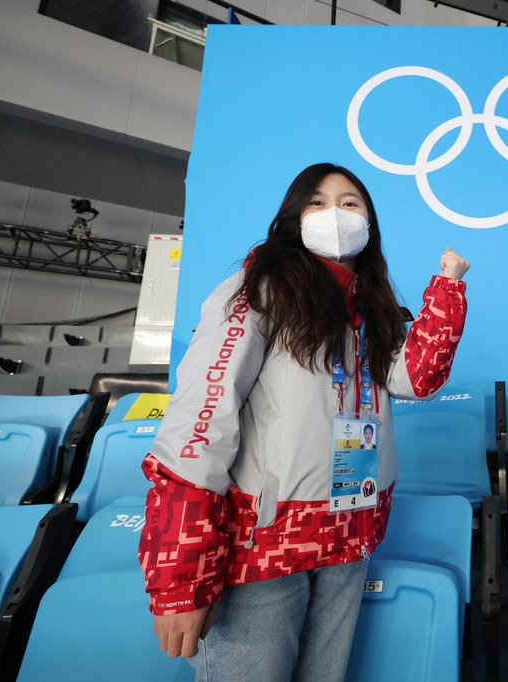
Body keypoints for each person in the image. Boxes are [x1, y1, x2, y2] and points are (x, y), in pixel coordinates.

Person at [138, 163, 469, 682]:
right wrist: (182, 577)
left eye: (350, 203)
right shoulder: (255, 290)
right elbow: (199, 424)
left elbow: (415, 379)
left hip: (351, 529)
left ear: (370, 224)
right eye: (317, 202)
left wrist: (447, 290)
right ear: (293, 218)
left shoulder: (371, 308)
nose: (335, 213)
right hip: (267, 541)